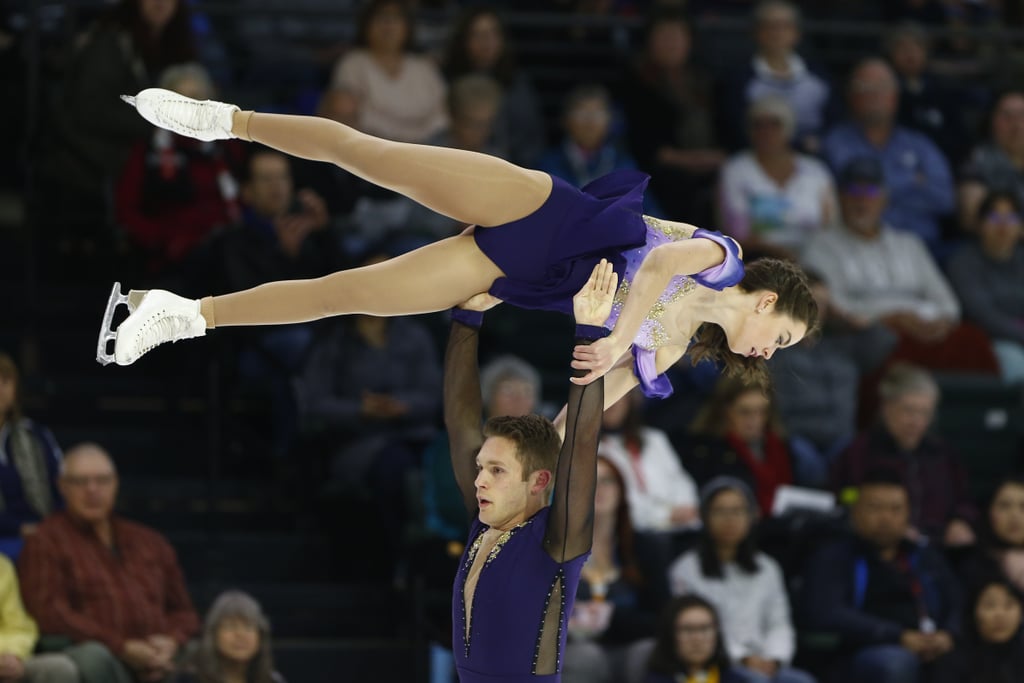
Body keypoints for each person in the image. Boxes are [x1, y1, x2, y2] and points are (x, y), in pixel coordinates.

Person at [104, 87, 818, 409]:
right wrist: (616, 336)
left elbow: (582, 412)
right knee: (369, 154)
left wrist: (543, 467)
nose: (769, 349)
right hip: (542, 211)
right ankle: (225, 119)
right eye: (780, 334)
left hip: (517, 270)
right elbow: (659, 262)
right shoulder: (722, 256)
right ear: (765, 297)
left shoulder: (661, 356)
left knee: (344, 294)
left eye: (779, 349)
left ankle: (181, 314)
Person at [442, 261, 609, 682]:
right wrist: (467, 317)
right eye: (482, 467)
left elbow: (582, 444)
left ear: (539, 481)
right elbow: (460, 425)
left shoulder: (557, 542)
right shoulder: (484, 525)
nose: (478, 479)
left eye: (496, 470)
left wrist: (590, 332)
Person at [18, 443, 199, 683]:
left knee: (207, 651)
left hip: (160, 652)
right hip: (102, 655)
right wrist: (122, 647)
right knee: (93, 658)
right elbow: (50, 613)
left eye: (102, 481)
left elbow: (184, 611)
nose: (93, 490)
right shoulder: (45, 541)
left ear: (116, 484)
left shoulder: (150, 541)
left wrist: (171, 642)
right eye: (80, 482)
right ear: (62, 487)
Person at [799, 471, 962, 683]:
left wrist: (948, 634)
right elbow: (827, 612)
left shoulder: (924, 556)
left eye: (896, 509)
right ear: (855, 512)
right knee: (894, 663)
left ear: (908, 515)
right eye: (875, 508)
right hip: (864, 650)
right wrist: (898, 636)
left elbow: (956, 600)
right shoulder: (834, 556)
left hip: (927, 642)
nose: (886, 517)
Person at [669, 478, 814, 683]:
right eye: (720, 511)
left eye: (738, 511)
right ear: (704, 516)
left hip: (765, 660)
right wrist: (742, 658)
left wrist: (775, 658)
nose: (730, 520)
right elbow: (693, 627)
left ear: (752, 516)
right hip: (716, 663)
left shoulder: (767, 567)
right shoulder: (685, 569)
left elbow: (778, 623)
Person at [831, 364, 978, 546]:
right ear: (886, 408)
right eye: (908, 411)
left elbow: (964, 499)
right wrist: (889, 526)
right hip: (880, 546)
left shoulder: (943, 455)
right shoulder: (860, 452)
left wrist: (961, 521)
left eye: (924, 413)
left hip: (940, 547)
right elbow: (846, 496)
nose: (916, 421)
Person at [563, 456, 656, 683]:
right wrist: (570, 618)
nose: (599, 489)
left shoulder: (644, 547)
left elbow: (662, 618)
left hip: (625, 648)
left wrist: (611, 617)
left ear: (621, 490)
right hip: (569, 651)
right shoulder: (551, 546)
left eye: (607, 481)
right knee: (588, 657)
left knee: (648, 652)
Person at [717, 94, 838, 258]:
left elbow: (831, 225)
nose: (766, 132)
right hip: (757, 260)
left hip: (816, 258)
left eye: (775, 124)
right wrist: (782, 255)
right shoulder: (736, 170)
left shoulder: (816, 171)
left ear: (789, 128)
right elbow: (736, 233)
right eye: (758, 125)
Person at [329, 0, 448, 144]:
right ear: (366, 25)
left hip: (424, 147)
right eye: (381, 17)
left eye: (396, 18)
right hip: (369, 147)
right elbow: (346, 112)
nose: (388, 25)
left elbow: (441, 113)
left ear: (408, 27)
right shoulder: (353, 63)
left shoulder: (424, 67)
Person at [946, 190, 1024, 383]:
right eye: (995, 217)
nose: (1003, 225)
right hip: (991, 342)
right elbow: (983, 316)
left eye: (1011, 217)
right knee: (1017, 364)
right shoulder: (963, 263)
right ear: (980, 224)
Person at [0, 354, 63, 554]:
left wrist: (51, 529)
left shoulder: (36, 436)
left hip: (42, 534)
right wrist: (19, 528)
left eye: (5, 381)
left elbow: (62, 488)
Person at [171, 590, 286, 683]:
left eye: (248, 627)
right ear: (213, 635)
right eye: (230, 626)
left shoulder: (271, 680)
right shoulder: (189, 679)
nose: (240, 635)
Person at [643, 594, 744, 683]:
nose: (697, 638)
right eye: (687, 629)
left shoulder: (736, 679)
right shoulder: (655, 680)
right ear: (670, 635)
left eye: (704, 629)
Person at [943, 579, 1024, 683]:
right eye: (990, 605)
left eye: (1008, 605)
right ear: (973, 612)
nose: (1000, 615)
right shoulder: (954, 662)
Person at [960, 476, 1024, 595]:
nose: (1015, 515)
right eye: (1004, 506)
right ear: (989, 511)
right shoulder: (969, 565)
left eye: (1023, 507)